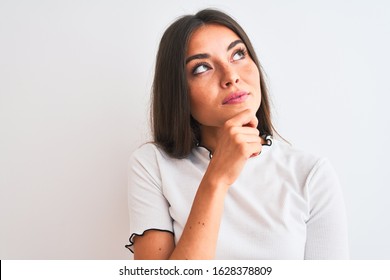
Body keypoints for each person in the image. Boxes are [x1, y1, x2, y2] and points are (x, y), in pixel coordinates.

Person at [125, 8, 349, 260]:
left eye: (238, 54)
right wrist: (217, 178)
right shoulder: (153, 165)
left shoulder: (310, 174)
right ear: (178, 92)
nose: (231, 76)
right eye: (201, 68)